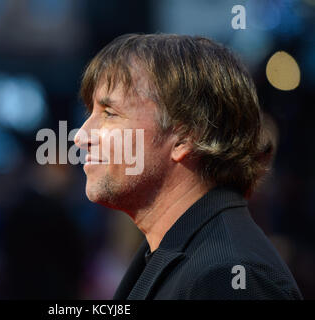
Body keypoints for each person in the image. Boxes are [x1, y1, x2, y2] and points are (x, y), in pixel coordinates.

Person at [73, 33, 302, 300]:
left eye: (109, 114)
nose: (81, 136)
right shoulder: (177, 254)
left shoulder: (227, 277)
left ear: (184, 136)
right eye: (90, 113)